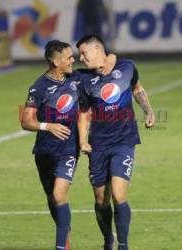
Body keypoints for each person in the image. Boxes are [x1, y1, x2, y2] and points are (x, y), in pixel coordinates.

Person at [21, 40, 115, 250]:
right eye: (69, 57)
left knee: (58, 195)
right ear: (56, 61)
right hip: (45, 151)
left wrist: (112, 57)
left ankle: (61, 246)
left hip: (68, 150)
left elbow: (106, 63)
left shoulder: (77, 78)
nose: (74, 60)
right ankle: (65, 233)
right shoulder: (39, 87)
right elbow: (26, 121)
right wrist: (48, 126)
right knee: (52, 198)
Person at [76, 35, 155, 250]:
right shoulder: (83, 79)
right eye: (79, 54)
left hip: (124, 141)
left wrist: (148, 110)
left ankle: (123, 244)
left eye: (84, 53)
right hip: (98, 145)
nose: (81, 58)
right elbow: (83, 113)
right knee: (102, 200)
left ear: (97, 49)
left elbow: (137, 88)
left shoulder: (127, 67)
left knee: (119, 195)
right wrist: (83, 142)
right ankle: (108, 239)